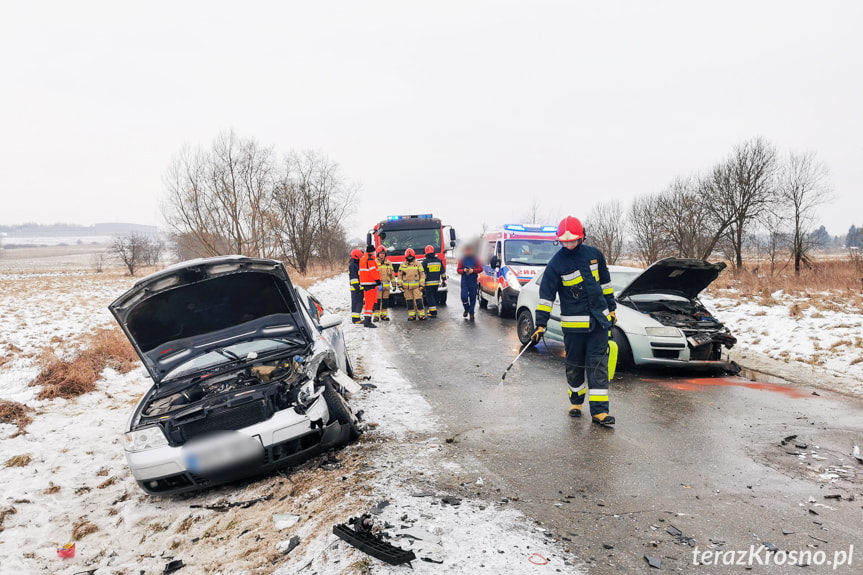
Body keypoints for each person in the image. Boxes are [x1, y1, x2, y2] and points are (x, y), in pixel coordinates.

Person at [531, 216, 617, 426]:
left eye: (572, 240)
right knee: (574, 365)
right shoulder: (556, 264)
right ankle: (576, 403)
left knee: (598, 366)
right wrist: (541, 324)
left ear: (582, 237)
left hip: (599, 322)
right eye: (564, 241)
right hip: (574, 327)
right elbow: (546, 297)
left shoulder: (594, 255)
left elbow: (605, 284)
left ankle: (599, 412)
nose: (568, 244)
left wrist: (611, 308)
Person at [399, 248, 426, 321]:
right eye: (408, 257)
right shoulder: (402, 265)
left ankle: (421, 315)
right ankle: (412, 315)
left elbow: (422, 275)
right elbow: (400, 276)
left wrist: (421, 285)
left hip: (416, 287)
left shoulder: (418, 264)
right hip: (406, 288)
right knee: (409, 302)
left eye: (411, 257)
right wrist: (400, 285)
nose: (409, 258)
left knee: (419, 301)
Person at [358, 245, 382, 328]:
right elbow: (373, 272)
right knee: (371, 303)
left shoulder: (362, 259)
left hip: (365, 284)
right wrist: (378, 282)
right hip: (371, 283)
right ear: (372, 251)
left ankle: (366, 320)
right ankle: (368, 321)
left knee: (367, 303)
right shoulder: (370, 259)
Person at [457, 244, 483, 320]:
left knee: (473, 298)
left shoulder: (475, 259)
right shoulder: (462, 259)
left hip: (473, 281)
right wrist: (464, 270)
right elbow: (458, 270)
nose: (468, 252)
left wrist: (473, 270)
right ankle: (466, 308)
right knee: (464, 297)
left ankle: (471, 313)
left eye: (469, 251)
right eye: (466, 251)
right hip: (465, 281)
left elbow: (480, 269)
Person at [421, 245, 444, 318]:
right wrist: (444, 280)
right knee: (435, 296)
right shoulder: (439, 261)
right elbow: (442, 272)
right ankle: (432, 310)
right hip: (436, 282)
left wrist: (421, 282)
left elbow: (423, 273)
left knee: (430, 297)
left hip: (428, 283)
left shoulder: (425, 262)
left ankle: (433, 312)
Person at [375, 246, 395, 321]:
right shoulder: (374, 262)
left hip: (386, 286)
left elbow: (392, 275)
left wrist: (394, 285)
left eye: (383, 253)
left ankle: (384, 315)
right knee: (377, 301)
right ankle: (376, 316)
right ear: (378, 254)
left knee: (385, 302)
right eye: (381, 253)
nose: (382, 255)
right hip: (378, 286)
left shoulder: (389, 263)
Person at [348, 248, 363, 324]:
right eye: (360, 257)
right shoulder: (353, 266)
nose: (361, 258)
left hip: (358, 288)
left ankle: (357, 318)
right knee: (356, 303)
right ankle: (355, 320)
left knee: (359, 303)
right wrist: (358, 288)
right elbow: (354, 279)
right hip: (356, 289)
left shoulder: (356, 264)